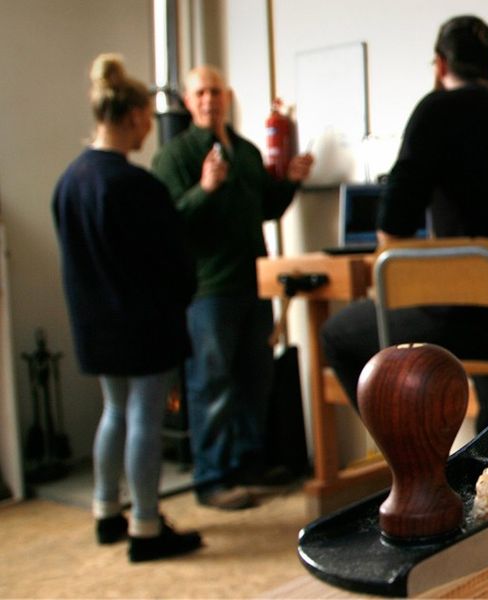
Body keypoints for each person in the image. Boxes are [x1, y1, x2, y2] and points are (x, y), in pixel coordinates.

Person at [321, 15, 488, 432]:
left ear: (440, 65)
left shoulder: (435, 111)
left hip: (485, 319)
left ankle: (417, 467)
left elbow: (391, 232)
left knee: (339, 336)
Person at [52, 53, 201, 562]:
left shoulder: (69, 182)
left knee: (113, 411)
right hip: (142, 325)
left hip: (95, 325)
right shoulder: (134, 186)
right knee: (144, 417)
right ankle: (146, 525)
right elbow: (173, 263)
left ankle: (106, 512)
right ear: (137, 116)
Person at [152, 66, 314, 510]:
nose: (209, 99)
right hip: (209, 290)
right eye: (201, 92)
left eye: (216, 91)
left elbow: (266, 206)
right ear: (188, 101)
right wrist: (204, 189)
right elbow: (169, 223)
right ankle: (213, 478)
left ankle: (248, 467)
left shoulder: (243, 151)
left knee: (254, 379)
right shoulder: (175, 156)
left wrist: (292, 181)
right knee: (212, 384)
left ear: (227, 97)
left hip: (254, 283)